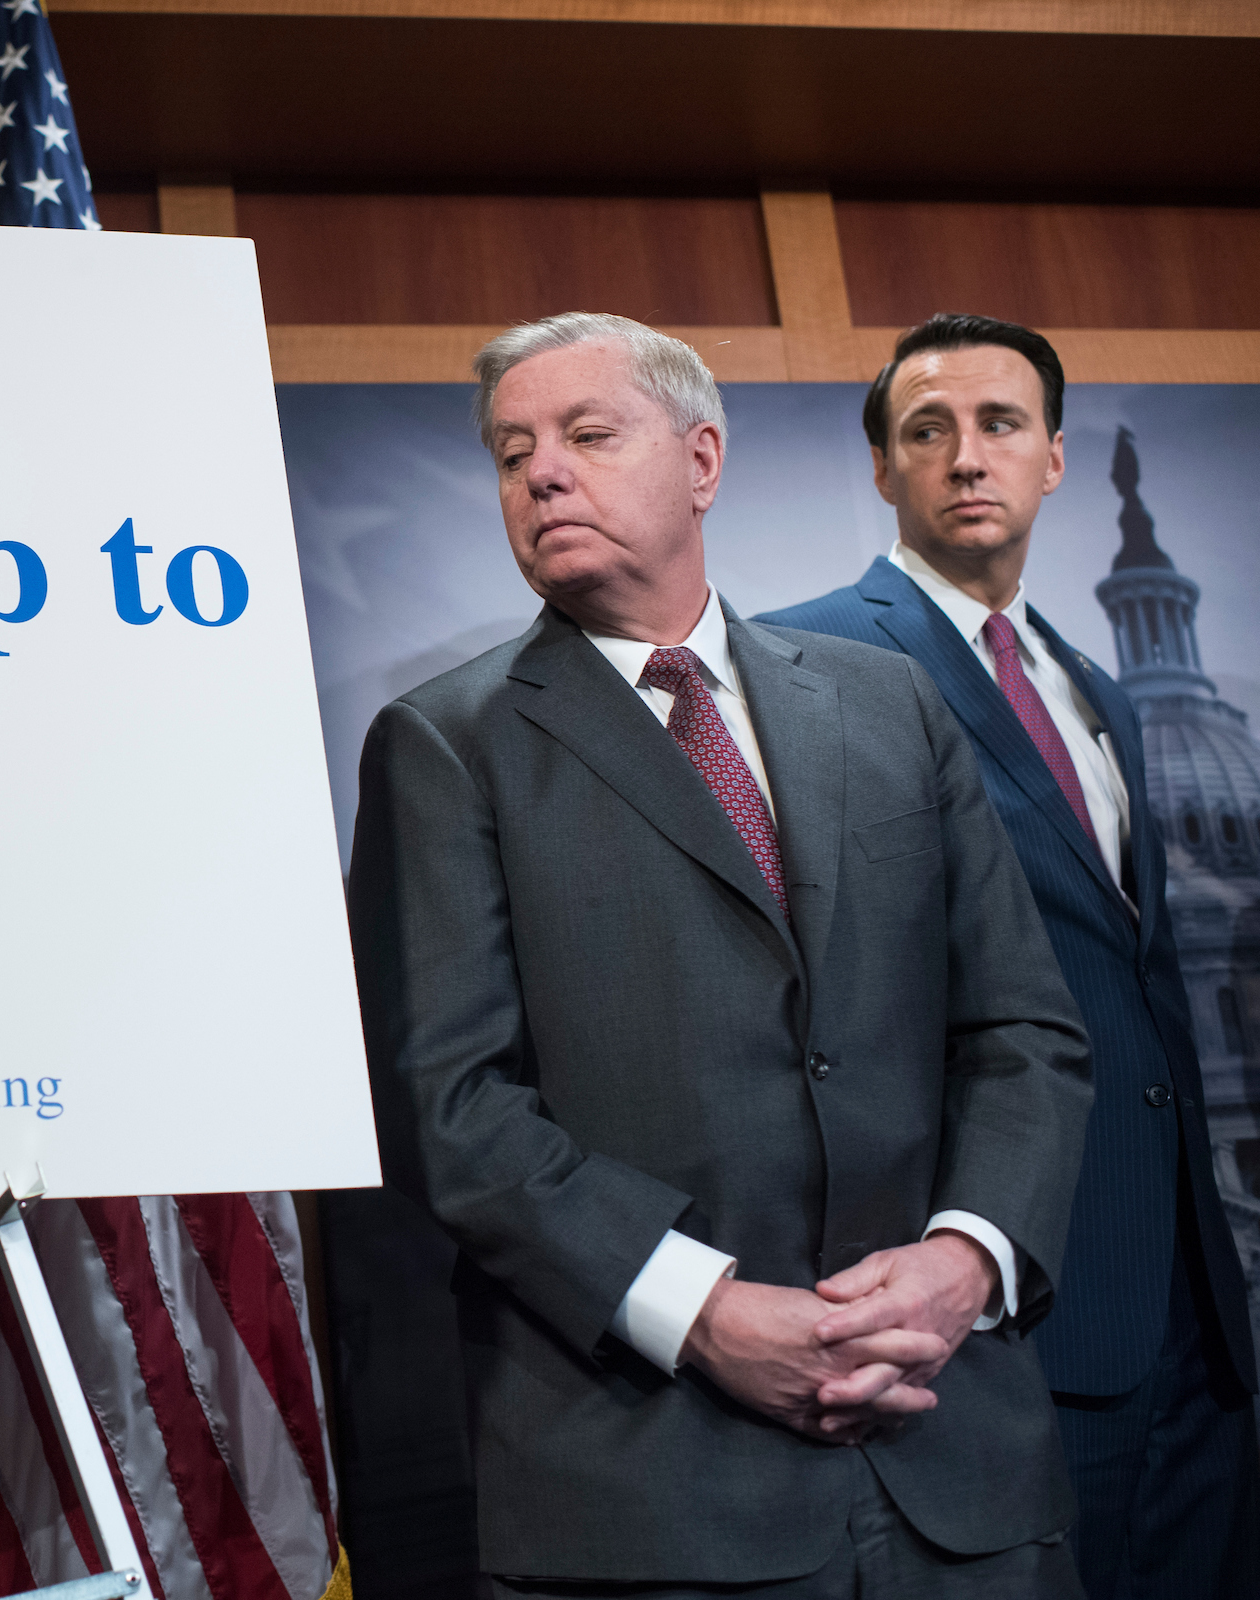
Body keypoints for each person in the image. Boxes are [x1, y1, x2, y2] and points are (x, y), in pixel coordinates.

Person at [347, 311, 1095, 1595]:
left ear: (701, 461)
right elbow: (446, 1108)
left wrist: (966, 1259)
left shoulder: (888, 702)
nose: (542, 473)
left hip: (958, 1466)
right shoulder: (442, 743)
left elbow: (1023, 1029)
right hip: (654, 1492)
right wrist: (701, 1311)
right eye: (513, 451)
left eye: (587, 434)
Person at [759, 312, 1260, 1595]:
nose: (966, 456)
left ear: (1051, 459)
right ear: (883, 469)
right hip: (1001, 1307)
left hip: (1198, 1308)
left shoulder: (1097, 685)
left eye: (1000, 425)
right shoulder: (800, 663)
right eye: (929, 430)